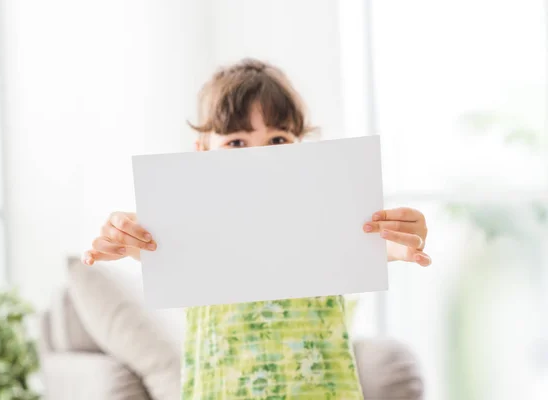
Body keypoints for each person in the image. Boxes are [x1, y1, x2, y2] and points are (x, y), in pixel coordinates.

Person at [82, 58, 431, 400]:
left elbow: (367, 245)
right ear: (202, 152)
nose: (260, 158)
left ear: (300, 148)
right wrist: (124, 236)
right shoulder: (191, 224)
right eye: (236, 142)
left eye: (278, 140)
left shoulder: (322, 215)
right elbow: (148, 243)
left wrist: (399, 243)